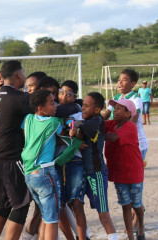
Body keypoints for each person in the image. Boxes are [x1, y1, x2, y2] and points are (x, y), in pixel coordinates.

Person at [0, 60, 33, 240]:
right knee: (22, 202)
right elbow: (46, 107)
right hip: (10, 157)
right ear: (19, 74)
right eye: (24, 71)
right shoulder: (18, 97)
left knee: (5, 203)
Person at [71, 92, 119, 240]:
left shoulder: (95, 121)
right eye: (82, 105)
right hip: (82, 172)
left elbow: (82, 126)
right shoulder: (91, 119)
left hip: (96, 173)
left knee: (103, 214)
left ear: (97, 110)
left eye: (86, 106)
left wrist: (73, 125)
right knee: (77, 207)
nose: (82, 109)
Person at [21, 89, 62, 240]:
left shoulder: (28, 118)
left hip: (30, 174)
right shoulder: (53, 122)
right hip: (45, 173)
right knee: (52, 219)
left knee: (45, 216)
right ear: (40, 107)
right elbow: (63, 132)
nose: (56, 105)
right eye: (51, 103)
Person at [104, 99, 145, 240]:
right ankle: (130, 236)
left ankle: (140, 226)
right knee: (125, 205)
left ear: (128, 114)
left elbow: (113, 137)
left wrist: (96, 136)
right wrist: (107, 110)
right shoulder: (111, 124)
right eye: (114, 108)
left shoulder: (130, 126)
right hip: (119, 173)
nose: (115, 110)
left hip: (133, 172)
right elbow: (99, 122)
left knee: (136, 204)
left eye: (119, 108)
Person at [55, 80, 88, 240]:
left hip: (75, 160)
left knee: (76, 203)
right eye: (61, 92)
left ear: (75, 96)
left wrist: (76, 134)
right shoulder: (52, 109)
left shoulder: (78, 112)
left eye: (69, 94)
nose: (64, 96)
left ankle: (83, 237)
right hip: (58, 161)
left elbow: (80, 131)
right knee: (59, 204)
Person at [103, 69, 148, 168]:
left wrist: (119, 134)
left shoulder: (136, 99)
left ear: (132, 84)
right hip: (120, 142)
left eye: (124, 80)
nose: (120, 82)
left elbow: (134, 119)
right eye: (119, 80)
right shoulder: (116, 98)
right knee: (123, 174)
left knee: (133, 175)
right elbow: (105, 116)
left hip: (136, 144)